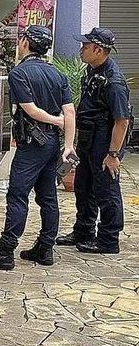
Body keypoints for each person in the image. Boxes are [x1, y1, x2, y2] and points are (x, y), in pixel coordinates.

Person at [0, 26, 76, 270]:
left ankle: (5, 251)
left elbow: (30, 109)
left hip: (32, 145)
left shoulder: (19, 73)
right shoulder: (56, 74)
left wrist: (55, 120)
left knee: (17, 196)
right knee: (48, 197)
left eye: (21, 39)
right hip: (51, 144)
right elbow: (70, 111)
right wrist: (68, 145)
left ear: (27, 42)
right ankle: (45, 247)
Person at [56, 27, 131, 254]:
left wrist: (113, 155)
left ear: (99, 50)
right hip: (88, 139)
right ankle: (84, 230)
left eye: (85, 47)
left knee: (106, 190)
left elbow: (122, 121)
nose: (81, 50)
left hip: (104, 141)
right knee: (83, 187)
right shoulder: (92, 71)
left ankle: (108, 239)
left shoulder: (114, 81)